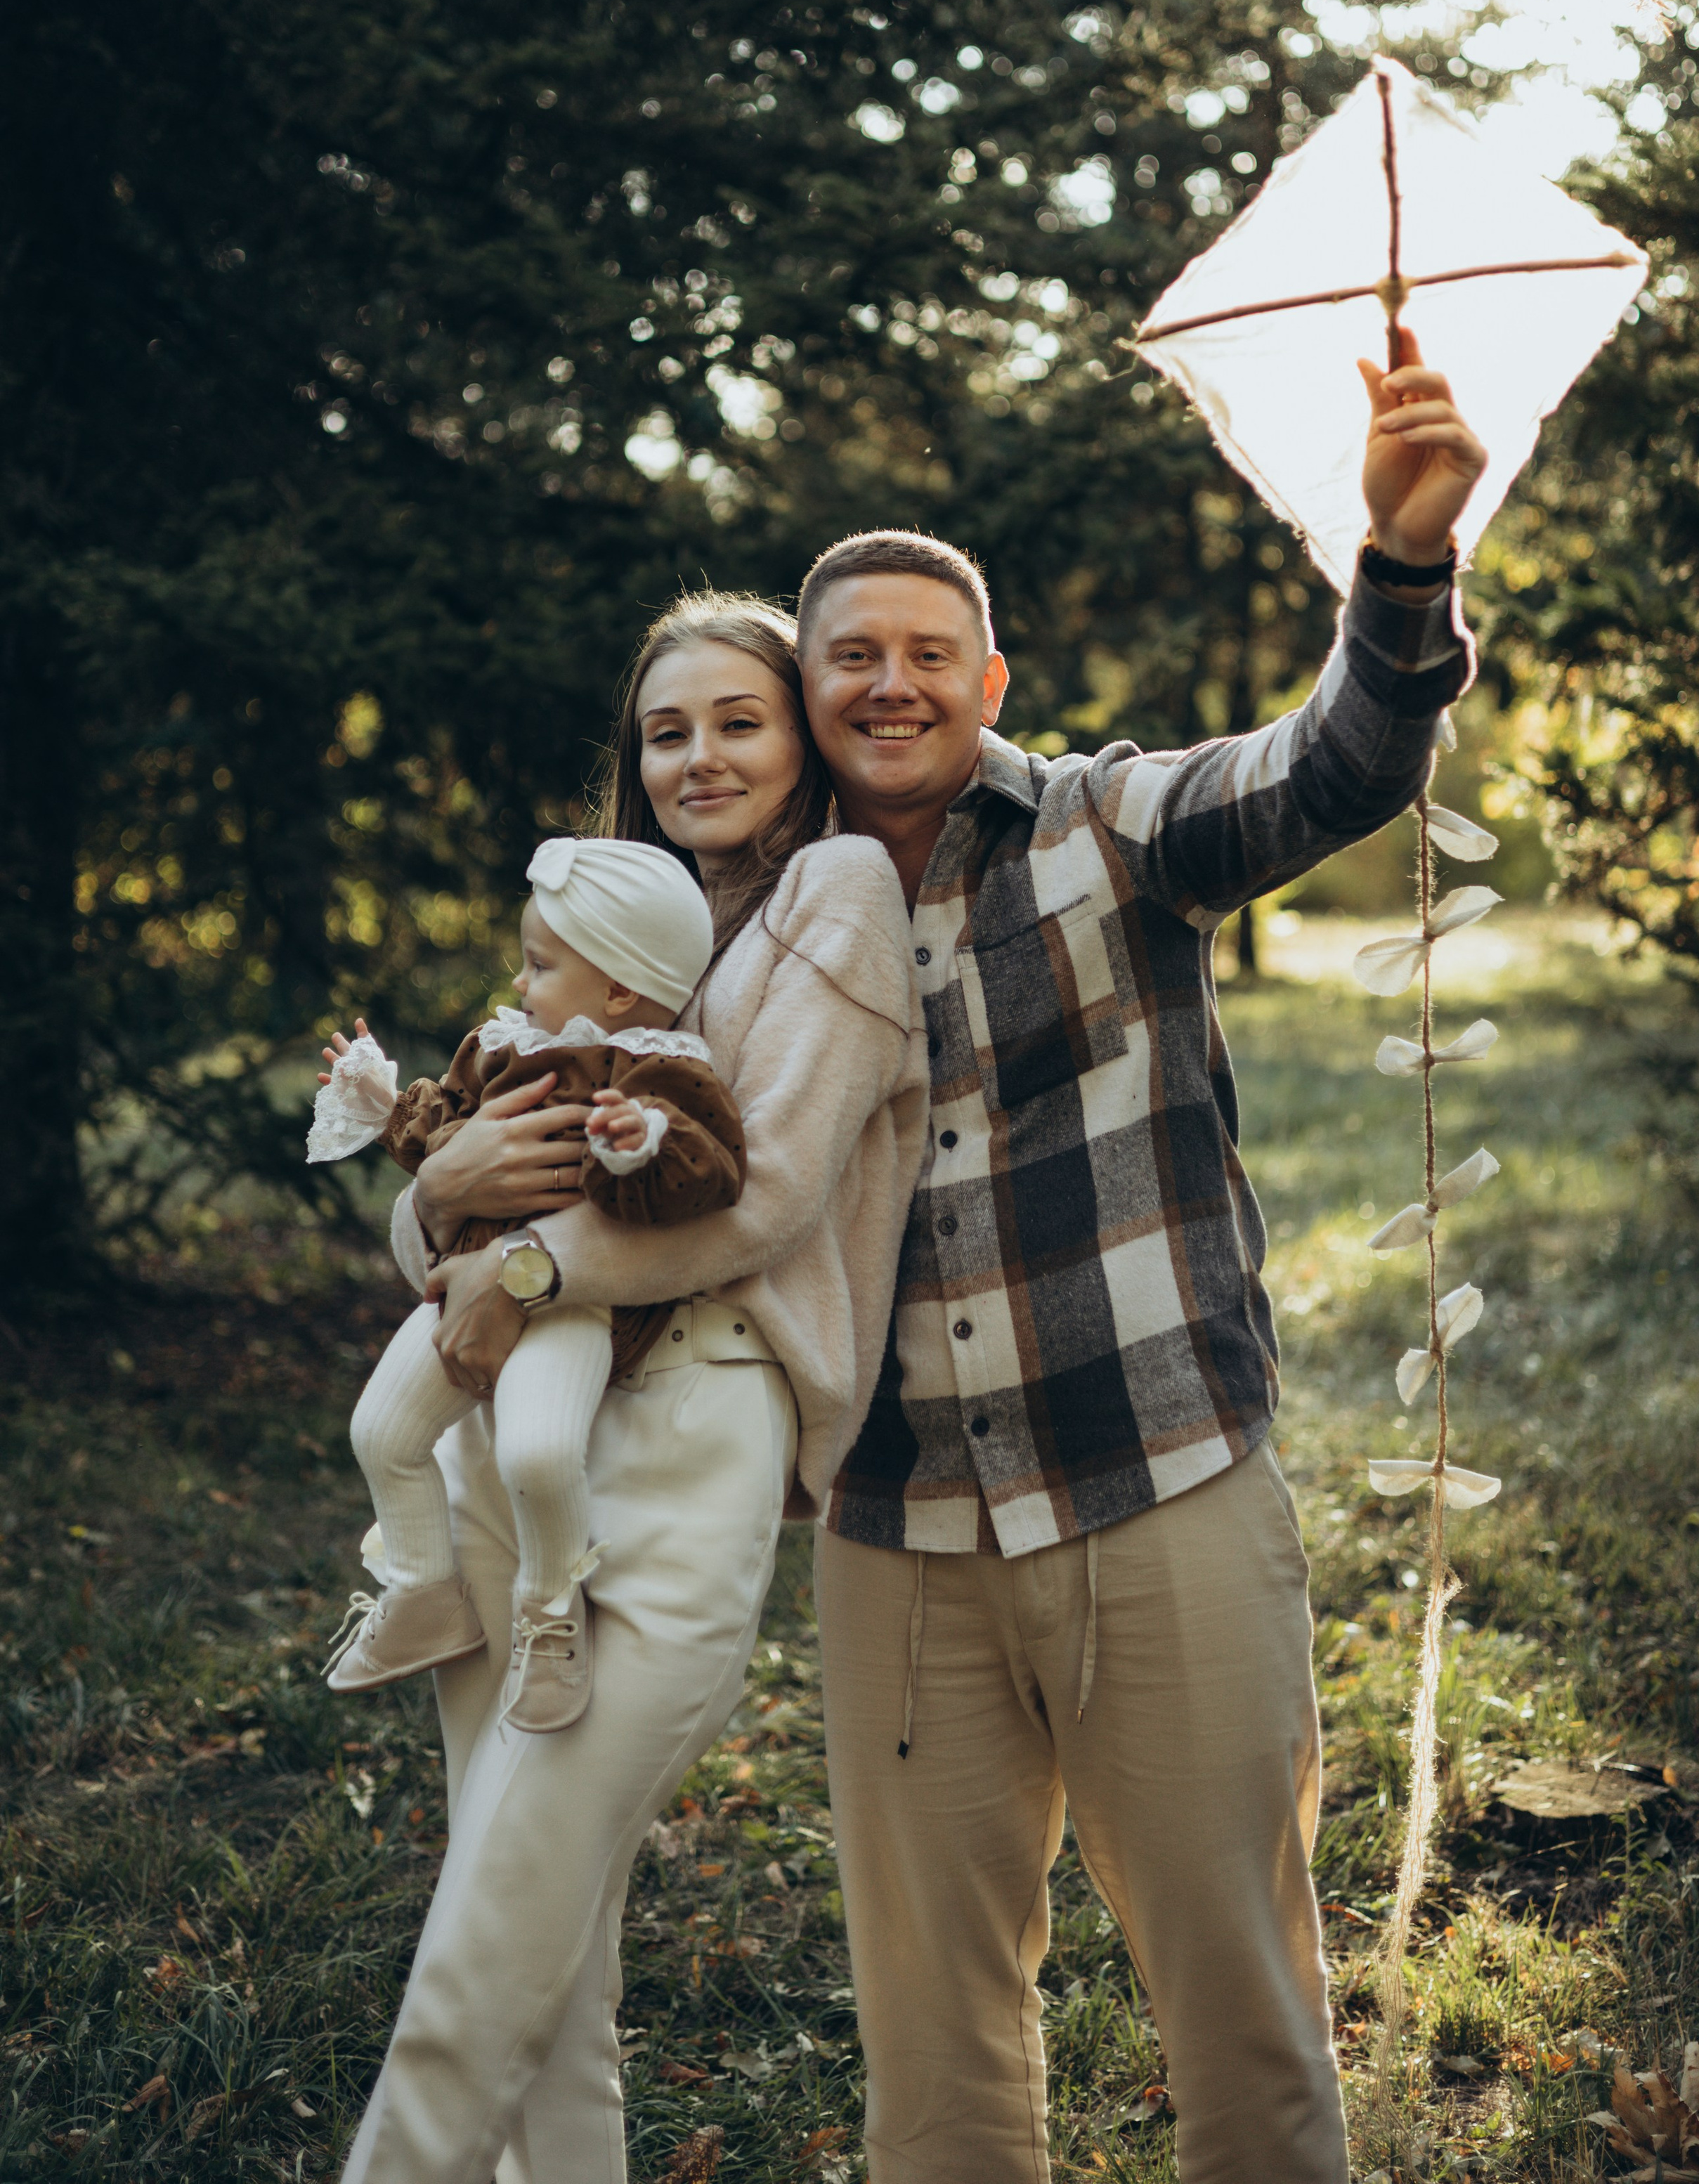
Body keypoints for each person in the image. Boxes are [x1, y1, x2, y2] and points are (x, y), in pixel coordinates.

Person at [793, 332, 1489, 2184]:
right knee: (932, 2070)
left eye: (930, 651)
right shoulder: (758, 923)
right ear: (802, 691)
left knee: (1243, 2012)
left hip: (1158, 1495)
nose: (892, 681)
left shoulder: (1112, 826)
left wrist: (1402, 573)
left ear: (989, 680)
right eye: (851, 653)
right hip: (894, 1542)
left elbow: (1332, 766)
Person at [341, 594, 927, 2184]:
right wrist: (435, 1189)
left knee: (490, 1935)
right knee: (549, 1951)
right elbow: (471, 1167)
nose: (698, 756)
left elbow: (768, 1193)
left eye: (739, 719)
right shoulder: (614, 916)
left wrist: (515, 1270)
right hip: (512, 1439)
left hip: (691, 1437)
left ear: (800, 737)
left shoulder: (837, 889)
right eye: (664, 730)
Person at [308, 836, 743, 1733]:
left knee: (538, 1454)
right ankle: (424, 1589)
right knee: (381, 1430)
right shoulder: (502, 1048)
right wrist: (389, 1103)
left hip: (570, 1302)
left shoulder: (662, 1073)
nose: (518, 980)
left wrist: (641, 1142)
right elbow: (444, 1138)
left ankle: (551, 1611)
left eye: (539, 964)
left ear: (620, 988)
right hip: (460, 1276)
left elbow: (712, 1176)